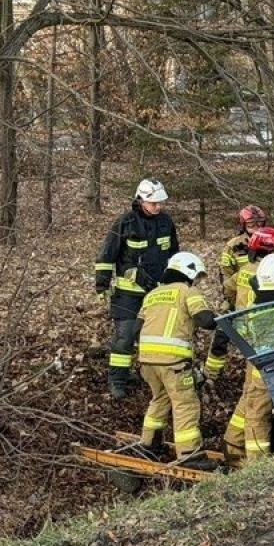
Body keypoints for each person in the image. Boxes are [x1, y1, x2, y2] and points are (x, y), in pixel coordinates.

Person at [95, 178, 178, 399]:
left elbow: (174, 255)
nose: (158, 207)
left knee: (154, 337)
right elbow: (106, 255)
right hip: (128, 294)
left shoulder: (166, 222)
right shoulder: (125, 222)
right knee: (126, 336)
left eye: (160, 203)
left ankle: (149, 376)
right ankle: (118, 380)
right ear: (140, 200)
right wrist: (101, 285)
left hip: (157, 292)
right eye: (153, 203)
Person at [134, 251, 216, 465]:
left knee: (159, 399)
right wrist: (222, 320)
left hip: (148, 362)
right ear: (189, 272)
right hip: (174, 363)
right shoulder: (188, 291)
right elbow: (205, 320)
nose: (196, 281)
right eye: (196, 277)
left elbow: (137, 328)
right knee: (185, 404)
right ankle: (189, 454)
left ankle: (148, 445)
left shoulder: (152, 294)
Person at [223, 252, 274, 467]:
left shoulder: (251, 313)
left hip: (262, 374)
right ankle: (246, 455)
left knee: (256, 415)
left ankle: (253, 461)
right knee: (258, 412)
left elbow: (242, 336)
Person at [205, 205, 272, 379]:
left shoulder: (271, 241)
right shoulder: (233, 246)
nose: (256, 228)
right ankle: (212, 373)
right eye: (251, 224)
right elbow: (225, 277)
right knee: (221, 333)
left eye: (259, 224)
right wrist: (233, 300)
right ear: (243, 225)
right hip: (237, 297)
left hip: (264, 298)